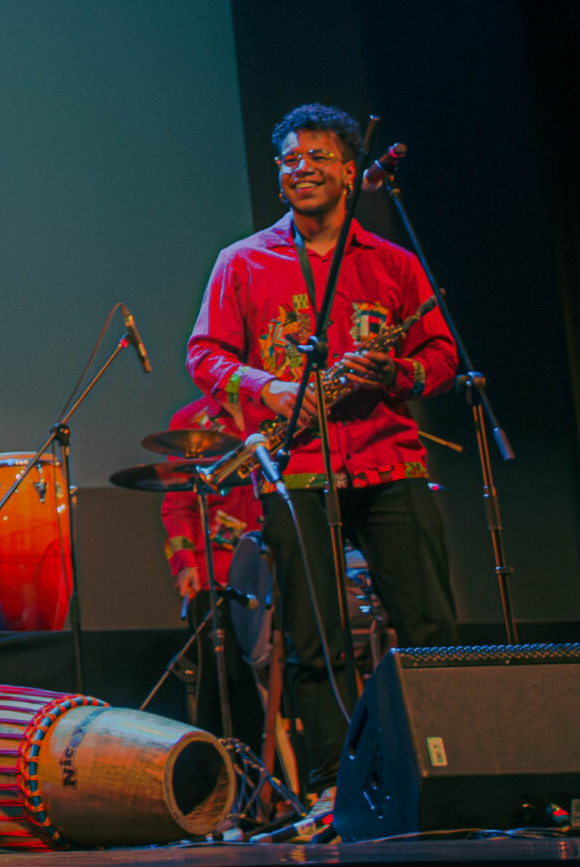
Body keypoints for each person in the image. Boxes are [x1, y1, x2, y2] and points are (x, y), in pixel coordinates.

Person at [186, 102, 458, 790]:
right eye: (288, 160)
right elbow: (205, 355)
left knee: (429, 627)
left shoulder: (393, 264)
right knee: (314, 642)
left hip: (389, 458)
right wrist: (269, 388)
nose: (299, 170)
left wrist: (395, 373)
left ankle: (447, 768)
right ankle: (336, 786)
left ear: (349, 170)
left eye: (315, 158)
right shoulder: (241, 262)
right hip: (297, 466)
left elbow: (443, 356)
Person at [151, 391, 265, 741]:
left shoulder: (276, 409)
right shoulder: (193, 422)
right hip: (218, 576)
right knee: (221, 680)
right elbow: (177, 504)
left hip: (272, 571)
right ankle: (220, 772)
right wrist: (184, 565)